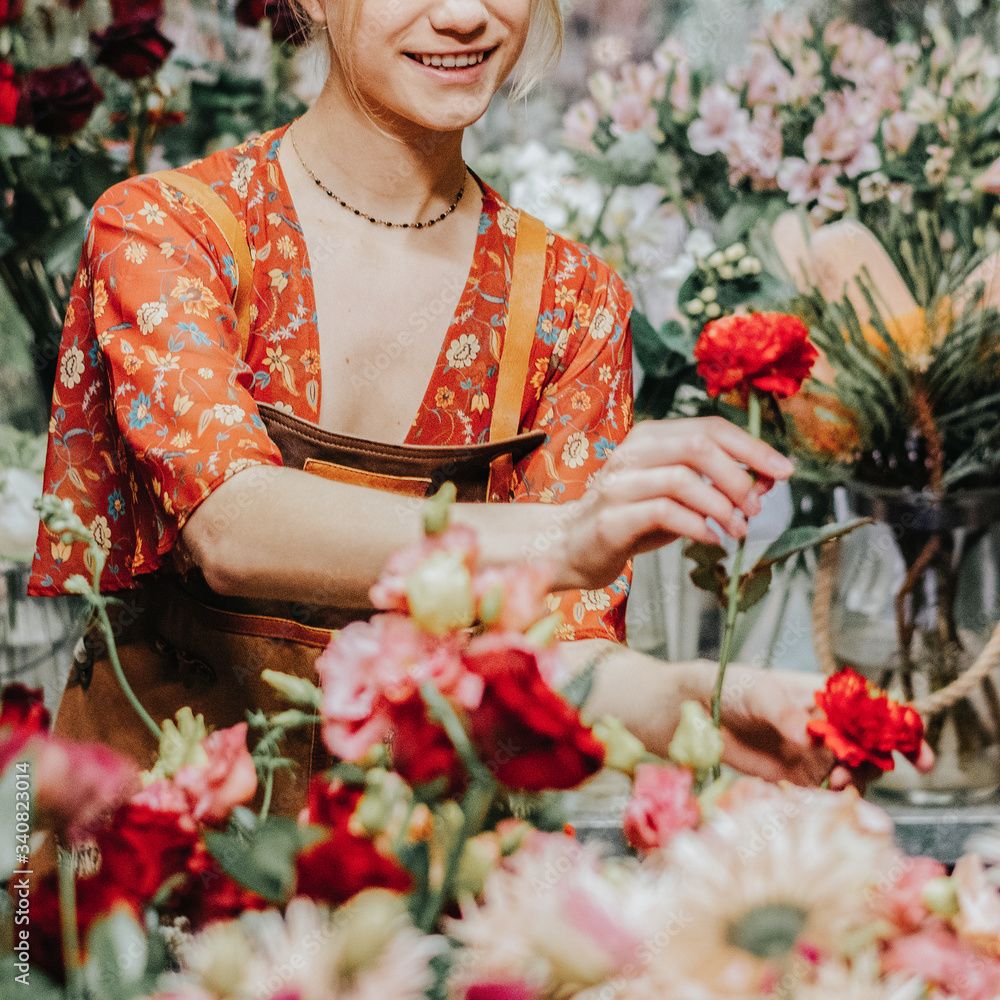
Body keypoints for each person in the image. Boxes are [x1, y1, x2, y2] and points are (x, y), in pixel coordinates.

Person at [29, 0, 921, 798]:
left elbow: (562, 648)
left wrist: (698, 701)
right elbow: (232, 527)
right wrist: (565, 541)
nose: (464, 16)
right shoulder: (168, 230)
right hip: (154, 858)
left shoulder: (571, 302)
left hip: (416, 873)